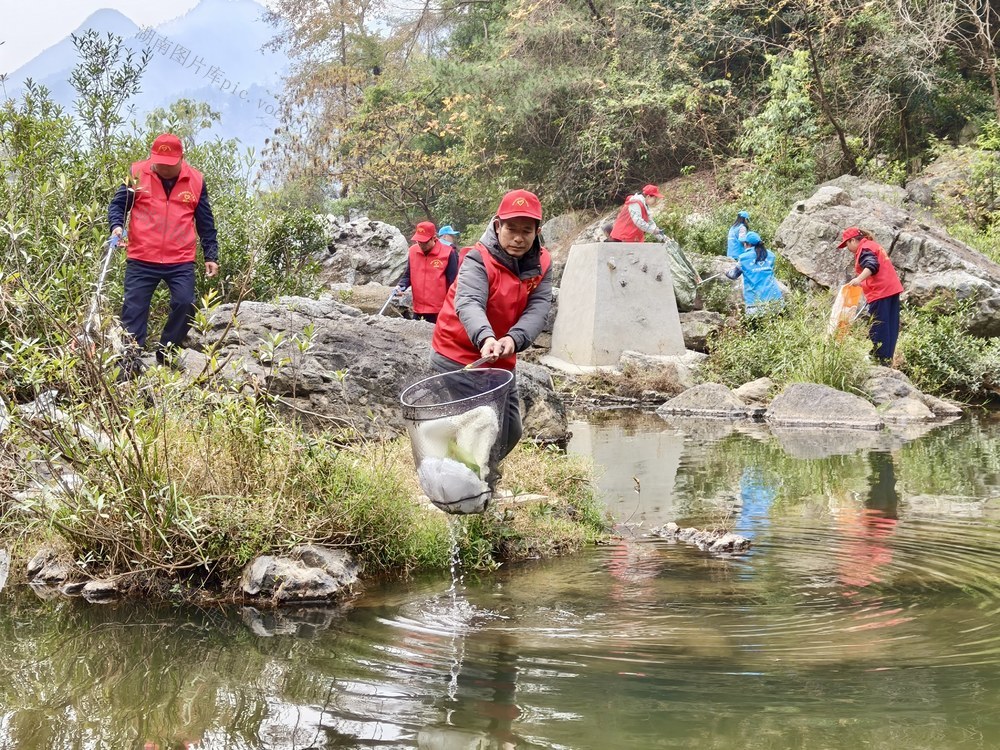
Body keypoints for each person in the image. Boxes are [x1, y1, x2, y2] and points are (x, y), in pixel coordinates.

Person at [431, 189, 552, 462]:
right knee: (482, 426)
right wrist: (486, 337)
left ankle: (470, 478)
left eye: (526, 230)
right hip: (458, 354)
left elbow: (539, 307)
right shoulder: (477, 258)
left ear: (537, 231)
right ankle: (465, 488)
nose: (518, 238)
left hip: (501, 358)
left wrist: (514, 339)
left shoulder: (543, 262)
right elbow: (470, 302)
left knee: (511, 430)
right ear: (498, 226)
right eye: (511, 229)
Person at [108, 133, 219, 376]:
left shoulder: (196, 181)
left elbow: (205, 222)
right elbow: (118, 205)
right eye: (159, 162)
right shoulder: (137, 172)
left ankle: (167, 352)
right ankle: (129, 365)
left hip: (180, 259)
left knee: (185, 303)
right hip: (141, 256)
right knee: (134, 310)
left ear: (182, 159)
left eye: (169, 164)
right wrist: (116, 225)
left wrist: (211, 255)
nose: (163, 168)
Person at [838, 226, 904, 364]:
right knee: (890, 325)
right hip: (892, 289)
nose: (848, 248)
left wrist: (858, 279)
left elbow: (871, 266)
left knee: (879, 324)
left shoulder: (864, 249)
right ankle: (886, 359)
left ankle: (877, 357)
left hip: (880, 291)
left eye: (847, 244)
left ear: (853, 241)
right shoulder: (873, 245)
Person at [394, 221, 459, 323]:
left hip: (439, 310)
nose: (421, 245)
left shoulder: (448, 253)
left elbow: (453, 282)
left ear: (434, 238)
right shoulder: (413, 251)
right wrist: (400, 286)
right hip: (418, 308)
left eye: (424, 242)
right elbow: (408, 275)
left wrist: (452, 306)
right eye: (418, 241)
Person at [725, 230, 784, 316]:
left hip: (755, 305)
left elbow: (733, 275)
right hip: (776, 302)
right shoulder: (771, 255)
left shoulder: (743, 258)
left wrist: (726, 272)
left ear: (747, 244)